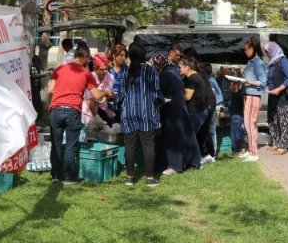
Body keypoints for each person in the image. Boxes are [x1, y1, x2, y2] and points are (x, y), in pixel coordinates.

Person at [47, 45, 112, 184]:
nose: (88, 61)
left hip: (55, 110)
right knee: (71, 145)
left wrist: (63, 90)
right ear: (83, 57)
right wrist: (106, 92)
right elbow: (97, 96)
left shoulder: (60, 69)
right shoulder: (85, 73)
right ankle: (68, 177)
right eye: (88, 58)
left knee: (56, 144)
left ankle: (55, 176)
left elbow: (50, 90)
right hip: (72, 111)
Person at [117, 42, 164, 187]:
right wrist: (161, 102)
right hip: (147, 114)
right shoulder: (151, 71)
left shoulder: (125, 72)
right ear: (144, 55)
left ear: (129, 56)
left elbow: (121, 95)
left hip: (129, 113)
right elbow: (157, 95)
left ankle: (130, 177)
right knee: (148, 146)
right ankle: (150, 178)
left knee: (129, 146)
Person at [153, 55, 201, 175]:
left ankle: (173, 165)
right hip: (180, 107)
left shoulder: (164, 75)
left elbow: (161, 94)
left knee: (172, 138)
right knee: (185, 135)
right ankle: (192, 160)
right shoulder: (174, 72)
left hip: (171, 109)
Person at [263, 42, 288, 155]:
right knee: (273, 120)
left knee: (284, 121)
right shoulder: (272, 63)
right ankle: (276, 142)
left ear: (273, 50)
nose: (266, 54)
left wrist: (279, 89)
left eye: (267, 52)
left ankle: (284, 145)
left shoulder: (283, 61)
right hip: (273, 95)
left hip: (283, 96)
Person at [241, 36, 267, 162]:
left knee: (249, 123)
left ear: (253, 48)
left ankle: (254, 152)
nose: (245, 51)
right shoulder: (251, 61)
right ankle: (251, 149)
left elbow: (263, 82)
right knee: (250, 123)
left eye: (247, 49)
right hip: (248, 95)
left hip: (253, 95)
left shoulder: (257, 62)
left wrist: (248, 81)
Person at [178, 56, 209, 152]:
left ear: (187, 67)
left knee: (189, 137)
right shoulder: (190, 77)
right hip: (197, 111)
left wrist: (175, 95)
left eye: (180, 67)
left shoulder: (192, 79)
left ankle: (194, 160)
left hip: (196, 113)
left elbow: (187, 96)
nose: (178, 69)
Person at [81, 53, 115, 130]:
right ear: (95, 69)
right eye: (102, 69)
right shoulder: (90, 77)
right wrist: (96, 117)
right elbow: (89, 100)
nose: (105, 71)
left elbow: (108, 94)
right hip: (89, 110)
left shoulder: (110, 77)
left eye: (106, 68)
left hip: (102, 108)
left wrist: (105, 94)